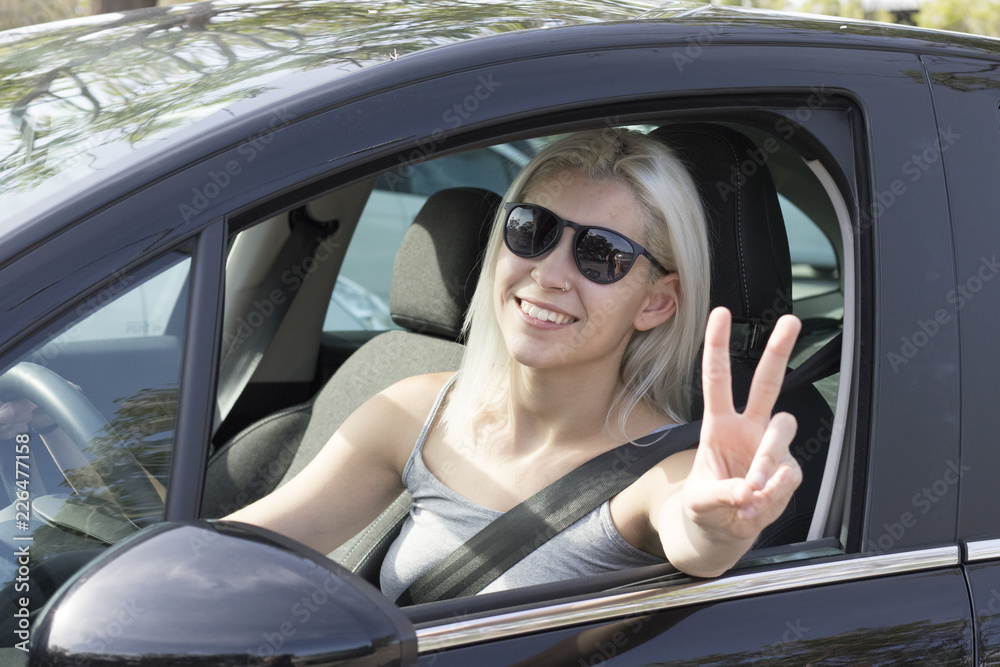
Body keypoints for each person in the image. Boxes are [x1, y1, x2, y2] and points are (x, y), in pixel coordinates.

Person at [0, 128, 803, 601]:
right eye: (530, 229)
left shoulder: (665, 472)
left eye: (600, 254)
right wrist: (82, 497)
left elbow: (695, 531)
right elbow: (244, 546)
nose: (551, 272)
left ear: (657, 302)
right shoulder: (416, 405)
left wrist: (717, 518)